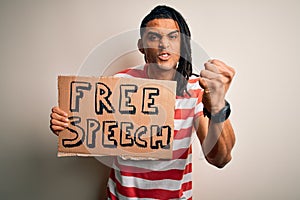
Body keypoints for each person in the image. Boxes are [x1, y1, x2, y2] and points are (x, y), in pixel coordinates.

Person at [50, 5, 236, 199]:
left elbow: (220, 159)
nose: (164, 44)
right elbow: (95, 129)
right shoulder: (120, 83)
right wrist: (67, 125)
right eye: (154, 37)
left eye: (172, 37)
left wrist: (218, 105)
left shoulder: (196, 90)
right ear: (141, 46)